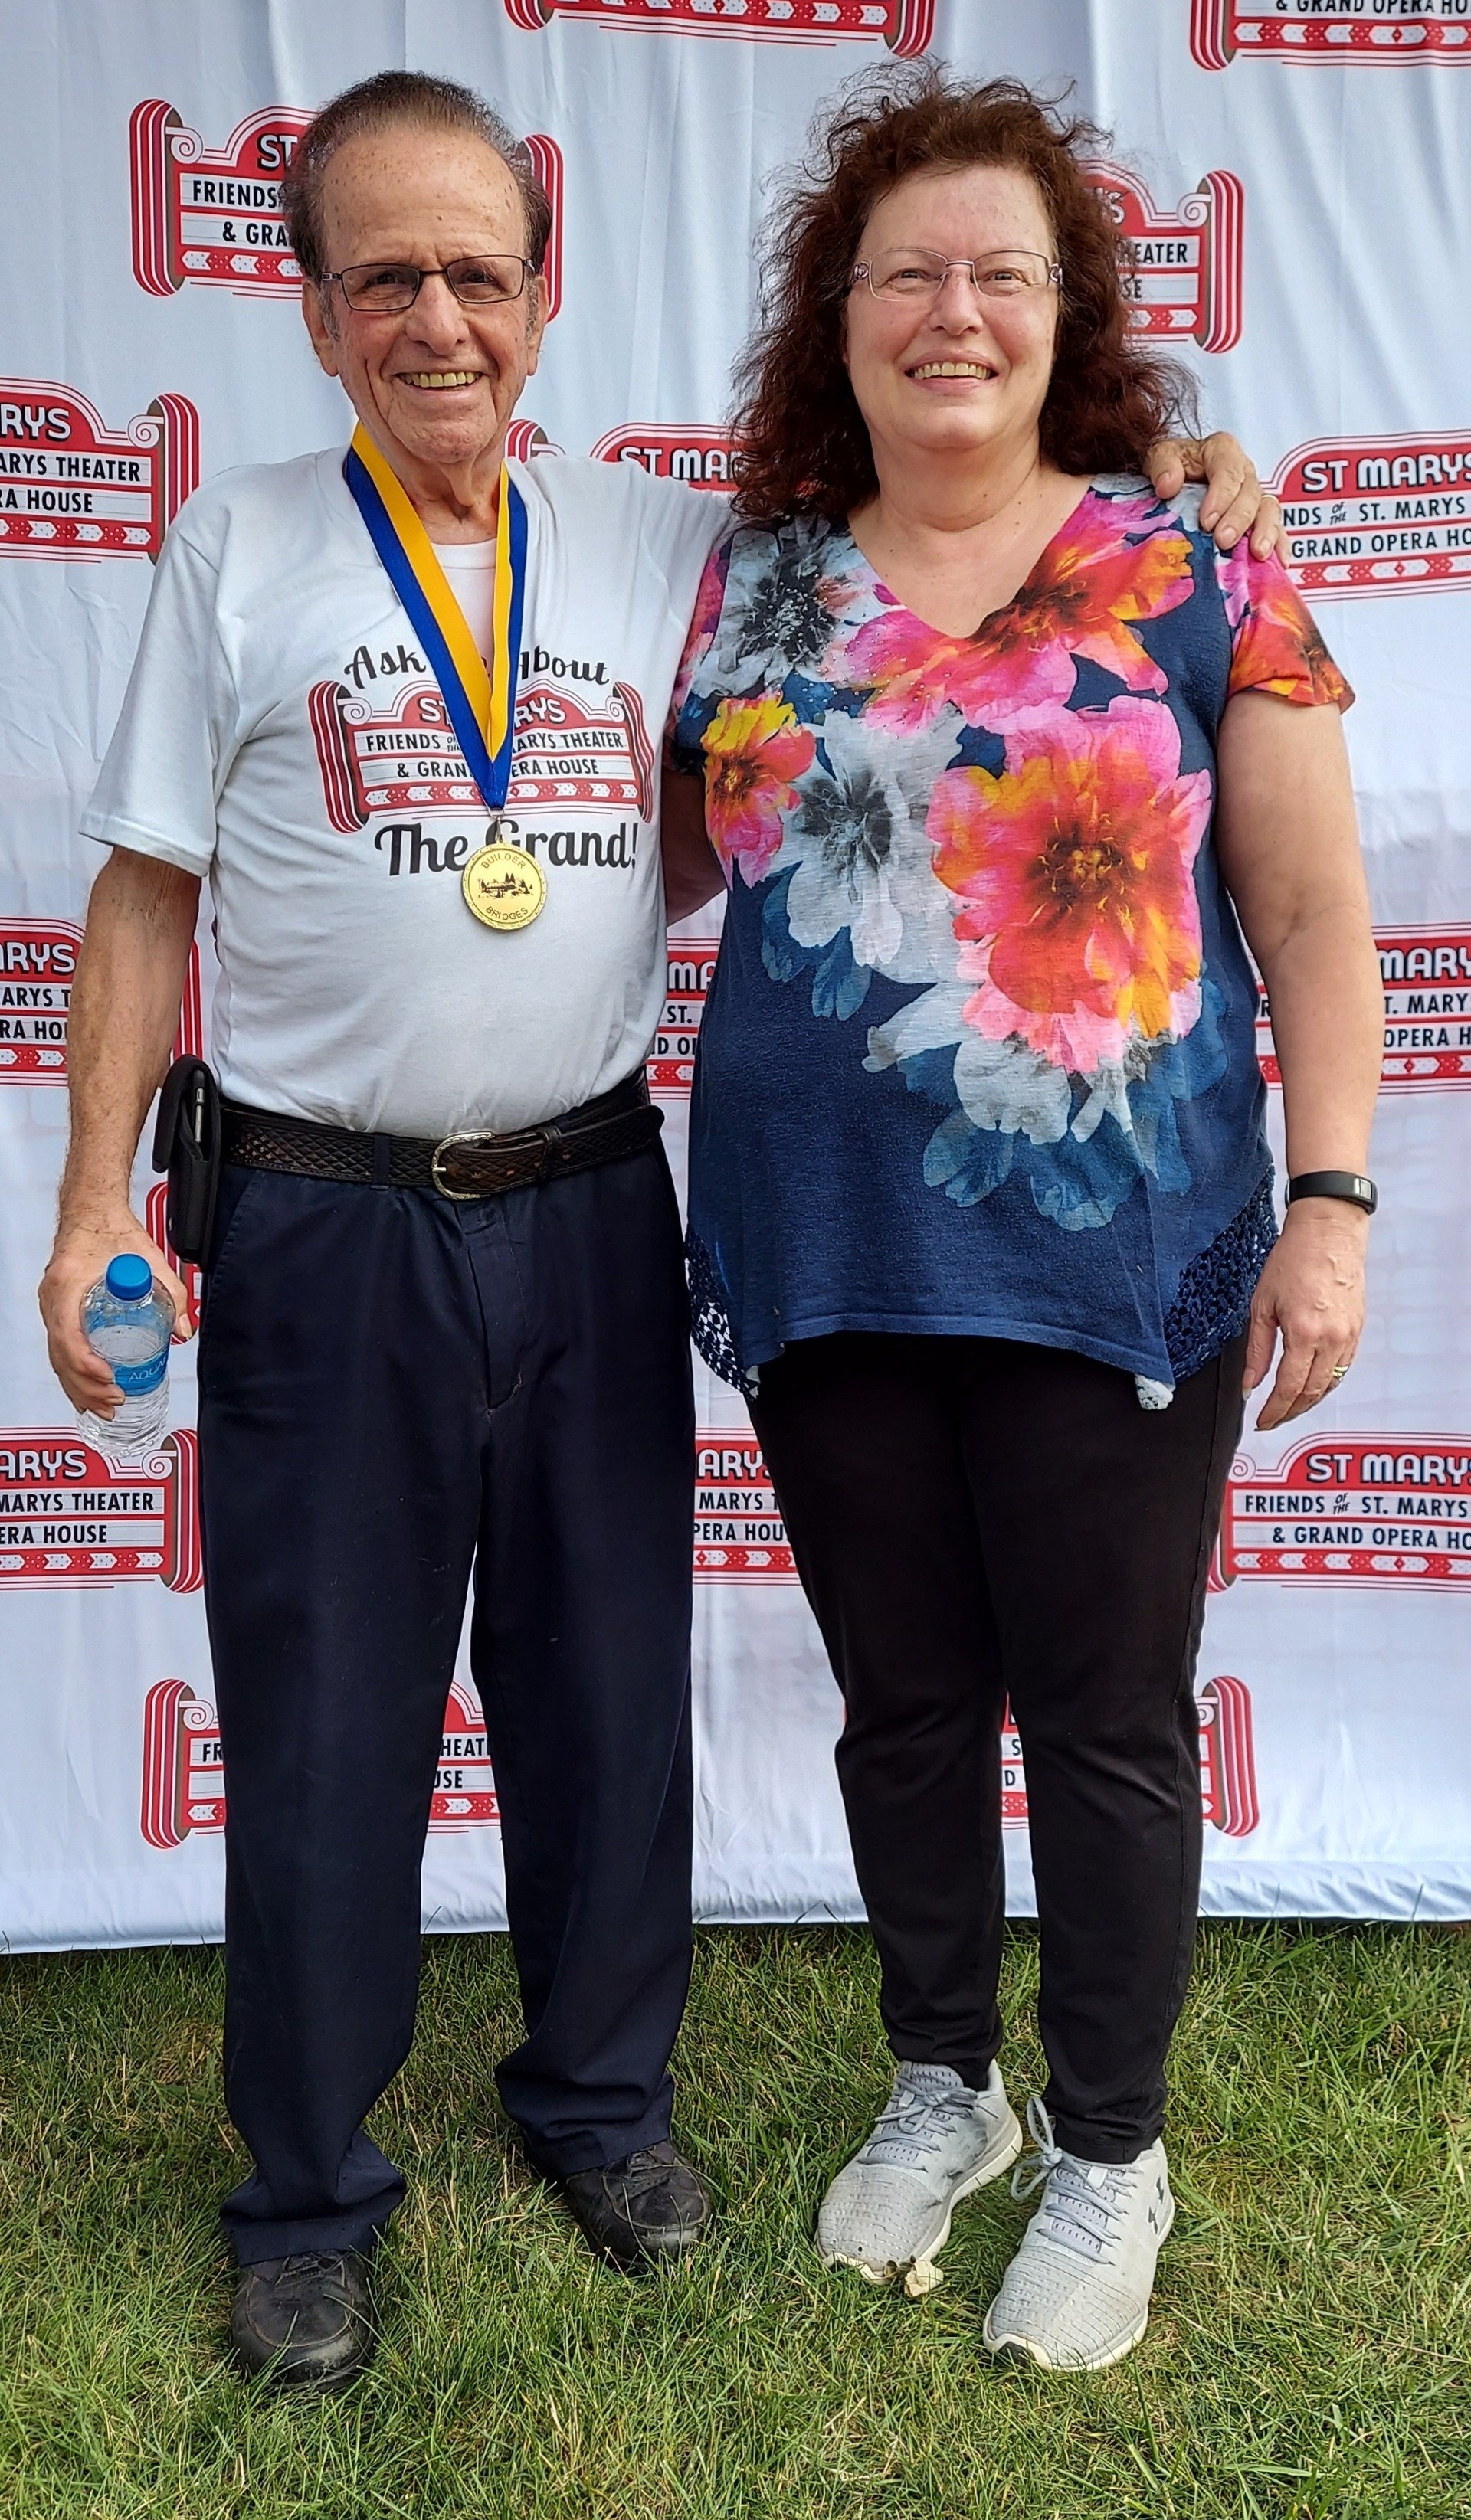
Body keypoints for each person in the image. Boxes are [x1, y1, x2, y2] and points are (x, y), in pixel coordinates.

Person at [38, 67, 1276, 2393]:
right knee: (325, 1728)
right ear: (307, 316)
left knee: (607, 1704)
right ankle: (308, 2189)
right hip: (315, 1218)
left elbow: (972, 575)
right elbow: (140, 893)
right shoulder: (242, 542)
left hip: (601, 1195)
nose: (439, 320)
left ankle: (601, 2109)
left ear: (544, 293)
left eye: (479, 273)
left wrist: (1191, 474)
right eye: (384, 278)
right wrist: (98, 1188)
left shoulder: (674, 552)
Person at [664, 70, 1381, 2372]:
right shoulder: (755, 570)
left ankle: (1107, 2152)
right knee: (900, 1707)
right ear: (837, 313)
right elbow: (655, 857)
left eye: (1000, 271)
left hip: (1112, 1256)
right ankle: (944, 2085)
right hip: (823, 1245)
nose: (950, 311)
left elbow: (1317, 911)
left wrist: (1339, 1205)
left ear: (1067, 314)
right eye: (905, 270)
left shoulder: (1202, 563)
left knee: (1099, 1718)